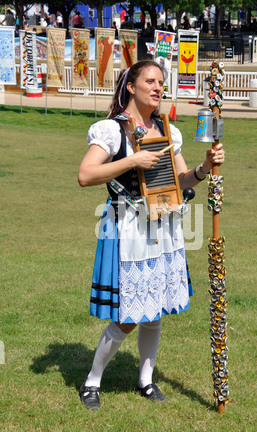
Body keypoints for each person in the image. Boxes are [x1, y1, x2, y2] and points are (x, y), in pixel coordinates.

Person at [78, 60, 225, 410]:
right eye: (150, 81)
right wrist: (133, 161)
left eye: (162, 82)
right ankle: (91, 382)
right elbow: (85, 175)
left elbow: (180, 179)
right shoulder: (112, 130)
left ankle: (145, 380)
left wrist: (204, 168)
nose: (158, 88)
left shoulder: (166, 129)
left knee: (155, 310)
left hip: (163, 226)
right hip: (127, 228)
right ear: (131, 86)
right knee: (128, 316)